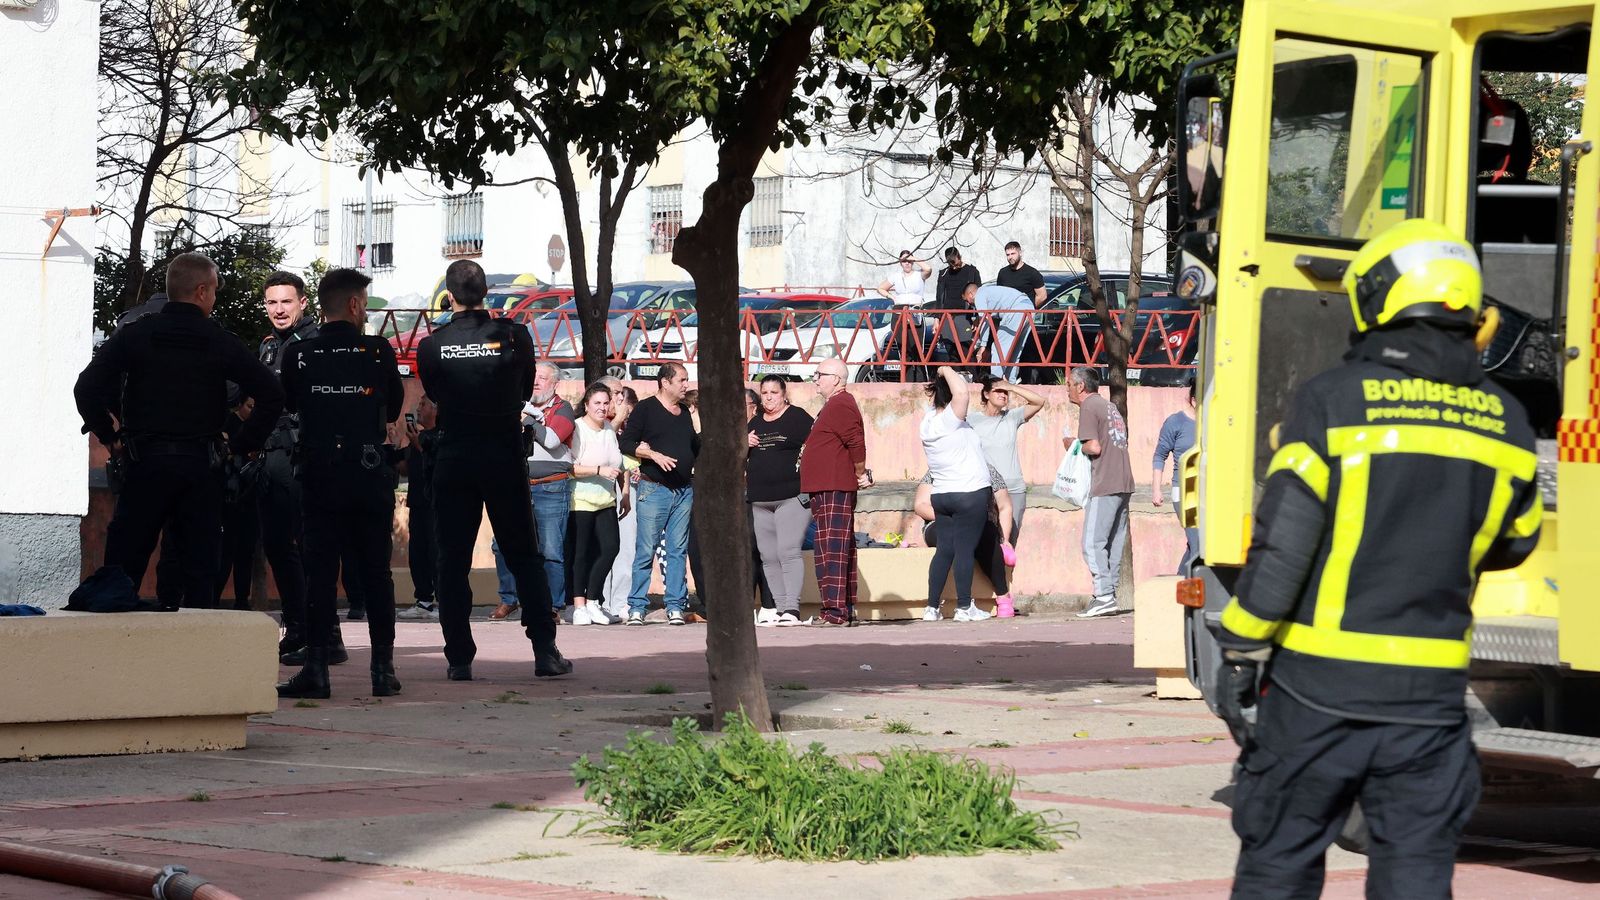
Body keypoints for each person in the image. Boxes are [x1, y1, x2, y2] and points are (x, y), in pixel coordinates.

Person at [1216, 220, 1541, 898]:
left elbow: (1284, 549)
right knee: (1415, 878)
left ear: (1377, 298)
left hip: (1317, 694)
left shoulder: (1332, 401)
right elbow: (1517, 540)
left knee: (1278, 867)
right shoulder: (1506, 421)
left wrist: (1241, 649)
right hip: (1430, 704)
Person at [74, 252, 284, 611]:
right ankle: (195, 641)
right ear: (201, 291)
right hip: (200, 470)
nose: (214, 298)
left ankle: (116, 642)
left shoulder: (136, 334)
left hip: (144, 466)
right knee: (199, 577)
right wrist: (239, 445)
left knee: (121, 573)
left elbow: (86, 387)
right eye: (213, 290)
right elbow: (272, 394)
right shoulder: (220, 340)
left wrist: (110, 436)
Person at [416, 260, 571, 680]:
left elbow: (435, 394)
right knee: (524, 555)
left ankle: (458, 658)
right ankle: (544, 650)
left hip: (455, 455)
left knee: (452, 560)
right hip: (502, 453)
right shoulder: (514, 336)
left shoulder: (432, 346)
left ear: (449, 297)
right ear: (486, 293)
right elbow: (524, 391)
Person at [275, 268, 405, 699]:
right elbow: (392, 409)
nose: (365, 311)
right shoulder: (378, 351)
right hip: (367, 472)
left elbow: (289, 402)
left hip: (319, 473)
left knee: (319, 571)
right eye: (364, 305)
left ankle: (316, 668)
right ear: (353, 304)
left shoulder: (299, 353)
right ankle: (382, 670)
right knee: (376, 572)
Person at [256, 271, 348, 664]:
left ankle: (326, 636)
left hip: (307, 457)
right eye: (272, 302)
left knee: (313, 549)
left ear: (303, 303)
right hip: (272, 456)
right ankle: (297, 628)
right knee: (278, 546)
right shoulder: (267, 347)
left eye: (286, 302)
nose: (279, 310)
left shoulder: (316, 343)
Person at [488, 362, 576, 622]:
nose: (536, 382)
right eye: (534, 377)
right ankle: (509, 598)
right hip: (517, 485)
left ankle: (552, 605)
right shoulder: (515, 406)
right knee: (501, 544)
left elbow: (552, 440)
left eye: (543, 378)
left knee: (551, 550)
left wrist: (527, 420)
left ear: (555, 383)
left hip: (551, 486)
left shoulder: (562, 408)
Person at [619, 362, 699, 626]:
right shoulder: (646, 409)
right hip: (654, 489)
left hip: (683, 491)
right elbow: (626, 442)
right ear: (665, 382)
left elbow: (694, 446)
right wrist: (652, 454)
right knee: (646, 550)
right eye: (682, 380)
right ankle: (637, 607)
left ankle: (675, 605)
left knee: (677, 551)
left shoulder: (684, 412)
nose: (686, 385)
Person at [919, 366, 994, 622]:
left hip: (942, 495)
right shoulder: (950, 419)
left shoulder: (928, 421)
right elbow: (961, 393)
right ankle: (964, 606)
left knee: (944, 550)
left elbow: (955, 394)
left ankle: (931, 607)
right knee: (964, 550)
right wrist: (945, 369)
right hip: (968, 493)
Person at [799, 358, 869, 626]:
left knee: (832, 549)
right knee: (832, 547)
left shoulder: (841, 403)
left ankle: (836, 611)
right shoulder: (834, 404)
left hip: (834, 486)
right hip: (826, 486)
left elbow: (856, 442)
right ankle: (840, 608)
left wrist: (860, 472)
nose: (815, 379)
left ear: (836, 379)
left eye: (820, 374)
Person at [1066, 367, 1133, 619]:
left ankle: (1103, 595)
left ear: (1080, 386)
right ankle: (1109, 595)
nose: (1067, 389)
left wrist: (1073, 444)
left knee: (1092, 543)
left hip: (1105, 483)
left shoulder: (1089, 407)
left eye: (1069, 384)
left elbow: (1093, 447)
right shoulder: (1109, 406)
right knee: (1113, 542)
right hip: (1124, 482)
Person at [748, 376, 814, 626]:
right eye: (764, 392)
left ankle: (792, 609)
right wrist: (744, 443)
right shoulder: (754, 422)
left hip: (791, 496)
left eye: (774, 392)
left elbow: (815, 447)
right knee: (768, 555)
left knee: (788, 551)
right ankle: (779, 607)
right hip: (760, 499)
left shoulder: (797, 418)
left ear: (784, 395)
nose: (768, 397)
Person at [912, 462, 1015, 617]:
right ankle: (941, 606)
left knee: (985, 535)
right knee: (953, 538)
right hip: (938, 523)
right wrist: (954, 518)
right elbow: (920, 505)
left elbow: (1004, 506)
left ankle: (1003, 596)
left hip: (978, 524)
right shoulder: (938, 468)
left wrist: (1005, 538)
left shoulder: (986, 470)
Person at [566, 383, 624, 626]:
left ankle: (593, 601)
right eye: (597, 403)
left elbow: (618, 463)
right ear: (587, 405)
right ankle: (578, 605)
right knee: (580, 554)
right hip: (580, 499)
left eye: (605, 403)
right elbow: (570, 468)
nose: (602, 407)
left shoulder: (609, 429)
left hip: (606, 499)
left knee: (610, 548)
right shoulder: (577, 428)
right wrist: (598, 470)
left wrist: (624, 492)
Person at [970, 376, 1045, 548]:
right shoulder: (972, 420)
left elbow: (1039, 402)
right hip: (986, 487)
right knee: (985, 540)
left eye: (1006, 392)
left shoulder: (1012, 417)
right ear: (986, 394)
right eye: (998, 390)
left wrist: (1011, 386)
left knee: (1009, 542)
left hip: (1013, 488)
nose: (1003, 394)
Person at [397, 396, 441, 621]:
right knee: (418, 554)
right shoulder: (418, 437)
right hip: (417, 502)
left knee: (436, 553)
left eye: (423, 404)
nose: (418, 408)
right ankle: (423, 600)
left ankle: (444, 601)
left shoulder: (441, 436)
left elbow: (437, 462)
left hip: (436, 504)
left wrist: (417, 444)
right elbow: (405, 469)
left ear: (435, 409)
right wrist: (397, 444)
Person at [1151, 380, 1198, 575]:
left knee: (1197, 543)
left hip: (1207, 491)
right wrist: (1156, 490)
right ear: (1194, 400)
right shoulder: (1175, 422)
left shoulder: (1213, 423)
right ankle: (1191, 586)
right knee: (1199, 544)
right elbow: (1159, 456)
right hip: (1185, 491)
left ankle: (1178, 581)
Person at [601, 385, 639, 621]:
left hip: (626, 487)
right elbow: (604, 445)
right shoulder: (596, 422)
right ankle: (601, 600)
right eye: (615, 394)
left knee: (627, 545)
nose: (619, 398)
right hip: (600, 486)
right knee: (604, 546)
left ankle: (621, 600)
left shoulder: (629, 424)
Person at [972, 284, 1032, 382]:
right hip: (1029, 306)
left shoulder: (979, 295)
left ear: (970, 294)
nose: (970, 304)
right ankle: (1010, 383)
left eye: (967, 300)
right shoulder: (990, 290)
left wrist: (982, 345)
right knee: (1015, 351)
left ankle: (996, 383)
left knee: (998, 348)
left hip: (1016, 308)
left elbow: (984, 320)